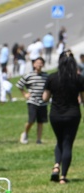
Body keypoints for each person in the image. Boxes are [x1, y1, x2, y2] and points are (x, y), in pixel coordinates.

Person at [42, 51, 84, 184]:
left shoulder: (52, 78)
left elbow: (45, 98)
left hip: (56, 114)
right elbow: (82, 99)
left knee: (59, 140)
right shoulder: (79, 78)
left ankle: (56, 166)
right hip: (73, 114)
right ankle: (63, 176)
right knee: (67, 143)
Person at [16, 57, 48, 145]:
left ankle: (38, 139)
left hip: (43, 102)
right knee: (31, 120)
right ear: (34, 64)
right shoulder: (29, 75)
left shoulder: (46, 76)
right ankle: (25, 133)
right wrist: (24, 94)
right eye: (37, 63)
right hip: (32, 101)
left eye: (41, 63)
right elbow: (19, 84)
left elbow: (49, 87)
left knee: (41, 121)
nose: (39, 64)